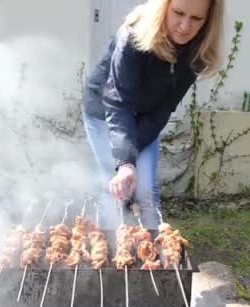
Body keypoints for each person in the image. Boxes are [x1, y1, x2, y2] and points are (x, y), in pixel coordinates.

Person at [82, 0, 225, 230]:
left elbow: (163, 109)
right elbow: (120, 104)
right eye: (178, 13)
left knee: (145, 189)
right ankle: (110, 254)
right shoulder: (133, 35)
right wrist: (125, 162)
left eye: (196, 18)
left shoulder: (198, 51)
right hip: (106, 111)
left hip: (147, 116)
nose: (184, 26)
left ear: (208, 20)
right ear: (163, 7)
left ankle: (157, 257)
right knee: (116, 184)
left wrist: (130, 158)